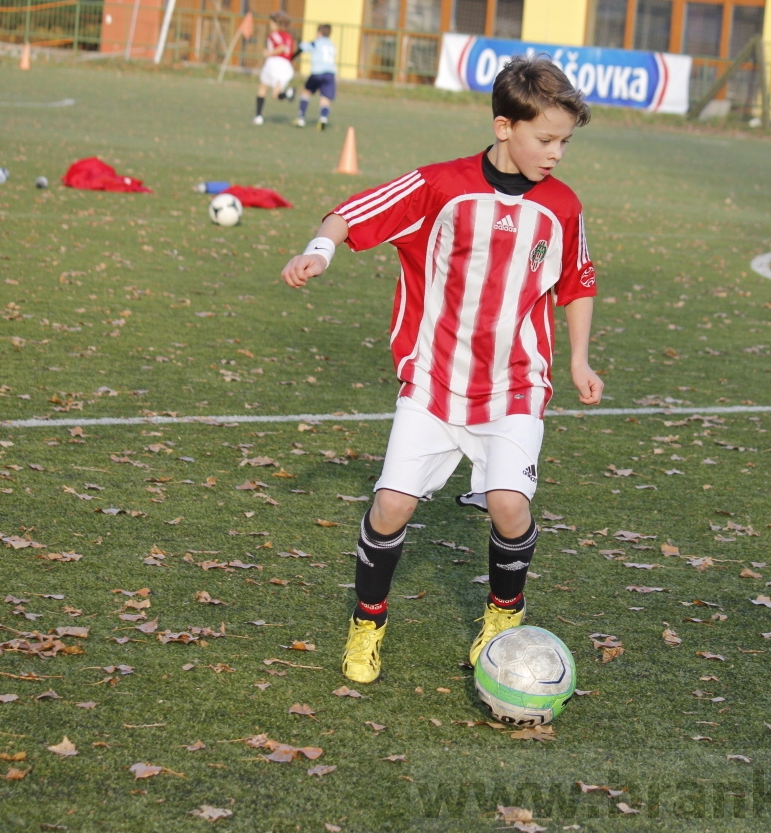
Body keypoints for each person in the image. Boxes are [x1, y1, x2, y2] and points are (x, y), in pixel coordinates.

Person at [279, 56, 602, 684]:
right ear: (504, 126)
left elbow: (577, 280)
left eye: (565, 141)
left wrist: (580, 358)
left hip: (515, 383)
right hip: (433, 383)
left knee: (510, 506)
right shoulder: (439, 185)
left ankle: (504, 618)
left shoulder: (562, 205)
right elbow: (350, 212)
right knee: (391, 508)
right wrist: (319, 250)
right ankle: (368, 621)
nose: (557, 153)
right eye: (546, 138)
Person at [254, 11, 297, 126]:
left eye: (271, 23)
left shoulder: (274, 35)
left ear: (277, 24)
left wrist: (269, 53)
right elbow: (290, 51)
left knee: (263, 88)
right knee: (275, 95)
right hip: (286, 66)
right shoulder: (289, 37)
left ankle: (258, 116)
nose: (270, 25)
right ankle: (288, 94)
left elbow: (282, 47)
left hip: (274, 64)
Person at [296, 24, 336, 130]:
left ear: (319, 33)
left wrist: (292, 56)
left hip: (317, 72)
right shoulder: (331, 45)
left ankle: (301, 118)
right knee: (325, 98)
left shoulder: (316, 43)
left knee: (306, 93)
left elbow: (302, 47)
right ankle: (323, 118)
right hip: (330, 74)